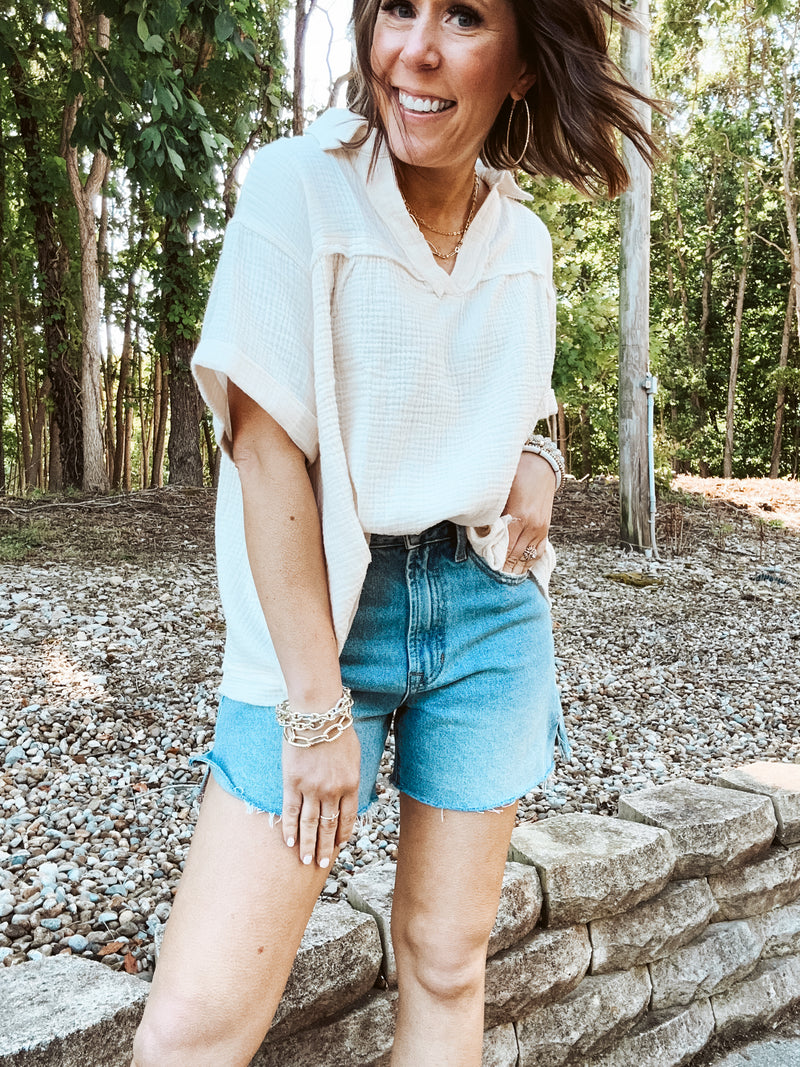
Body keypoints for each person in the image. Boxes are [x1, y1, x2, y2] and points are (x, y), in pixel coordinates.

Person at [131, 0, 654, 1062]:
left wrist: (541, 461)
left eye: (461, 17)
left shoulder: (522, 240)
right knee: (198, 1026)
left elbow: (527, 406)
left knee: (448, 963)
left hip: (487, 616)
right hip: (324, 615)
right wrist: (315, 704)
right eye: (397, 10)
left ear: (521, 65)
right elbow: (264, 448)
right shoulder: (298, 186)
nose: (413, 49)